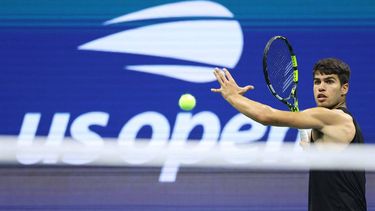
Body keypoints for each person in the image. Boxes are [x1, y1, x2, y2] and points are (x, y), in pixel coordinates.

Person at [211, 58, 366, 211]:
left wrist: (232, 96)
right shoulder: (327, 126)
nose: (321, 87)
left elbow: (266, 116)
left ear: (344, 88)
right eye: (317, 82)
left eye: (329, 81)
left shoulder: (335, 118)